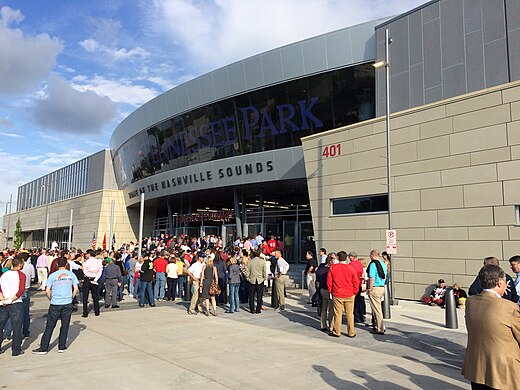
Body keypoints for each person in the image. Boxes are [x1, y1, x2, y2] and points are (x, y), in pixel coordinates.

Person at [461, 265, 520, 390]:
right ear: (500, 282)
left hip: (477, 367)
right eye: (505, 281)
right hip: (503, 372)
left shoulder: (471, 302)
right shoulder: (509, 308)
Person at [32, 257, 79, 355]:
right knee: (65, 325)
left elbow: (47, 290)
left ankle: (44, 347)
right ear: (66, 264)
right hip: (67, 303)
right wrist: (71, 297)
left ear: (57, 264)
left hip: (55, 303)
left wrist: (50, 298)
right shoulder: (71, 275)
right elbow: (75, 288)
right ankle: (62, 346)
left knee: (50, 326)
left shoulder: (53, 276)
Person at [327, 251, 359, 338]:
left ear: (337, 257)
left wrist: (331, 291)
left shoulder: (333, 268)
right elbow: (356, 281)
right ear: (347, 258)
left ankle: (337, 331)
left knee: (337, 313)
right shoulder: (351, 268)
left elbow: (329, 281)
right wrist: (355, 292)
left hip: (337, 293)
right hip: (349, 293)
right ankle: (351, 332)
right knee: (349, 314)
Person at [0, 256, 26, 356]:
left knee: (1, 325)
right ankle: (16, 350)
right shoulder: (21, 275)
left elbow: (0, 288)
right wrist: (12, 299)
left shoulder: (4, 275)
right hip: (16, 303)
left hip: (4, 302)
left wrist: (2, 298)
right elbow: (21, 289)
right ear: (20, 264)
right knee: (17, 327)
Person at [366, 249, 387, 335]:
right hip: (381, 287)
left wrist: (370, 288)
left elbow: (372, 277)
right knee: (378, 308)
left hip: (375, 287)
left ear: (372, 255)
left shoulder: (373, 264)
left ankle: (380, 328)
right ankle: (381, 326)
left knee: (377, 309)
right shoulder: (383, 263)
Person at [82, 250, 102, 317]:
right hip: (94, 279)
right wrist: (95, 279)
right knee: (95, 296)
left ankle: (85, 312)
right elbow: (100, 271)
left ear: (89, 254)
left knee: (85, 296)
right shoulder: (98, 262)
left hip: (87, 279)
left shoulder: (86, 262)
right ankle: (97, 311)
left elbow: (85, 272)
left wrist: (89, 274)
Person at [315, 256, 334, 332]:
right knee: (331, 309)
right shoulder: (332, 270)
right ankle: (331, 325)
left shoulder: (320, 270)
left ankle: (323, 325)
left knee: (324, 308)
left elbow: (317, 283)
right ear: (330, 262)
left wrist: (318, 290)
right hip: (330, 291)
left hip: (322, 290)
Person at [246, 249, 266, 314]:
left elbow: (247, 271)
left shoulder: (250, 262)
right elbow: (264, 271)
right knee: (259, 295)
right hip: (260, 279)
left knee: (251, 295)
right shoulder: (262, 261)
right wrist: (264, 278)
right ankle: (258, 309)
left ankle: (252, 309)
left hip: (252, 279)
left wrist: (248, 278)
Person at [20, 252, 35, 338]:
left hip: (18, 289)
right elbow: (33, 278)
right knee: (26, 312)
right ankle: (26, 332)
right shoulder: (30, 266)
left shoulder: (17, 266)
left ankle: (8, 333)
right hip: (27, 288)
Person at [348, 251, 366, 323]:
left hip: (354, 285)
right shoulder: (359, 263)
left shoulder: (351, 264)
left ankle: (356, 317)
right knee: (360, 301)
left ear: (352, 257)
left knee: (354, 303)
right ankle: (361, 316)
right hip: (359, 284)